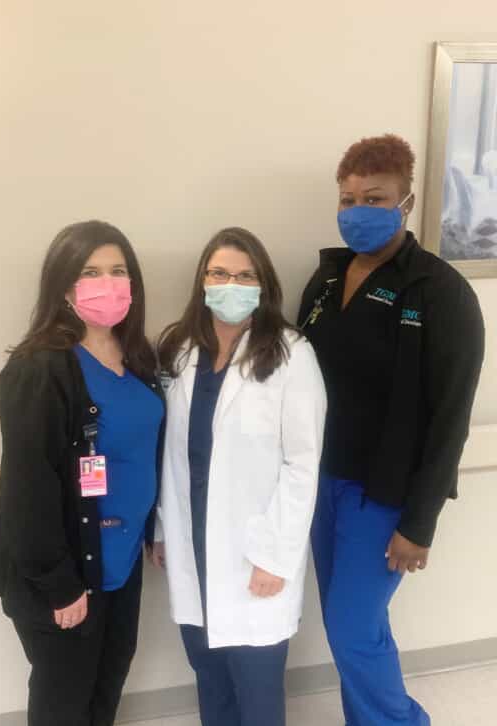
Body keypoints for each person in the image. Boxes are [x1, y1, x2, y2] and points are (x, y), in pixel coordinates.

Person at [298, 134, 485, 726]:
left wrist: (419, 523)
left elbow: (450, 417)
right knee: (350, 624)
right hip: (320, 483)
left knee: (352, 630)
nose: (357, 210)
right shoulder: (325, 281)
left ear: (405, 202)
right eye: (347, 198)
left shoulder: (439, 292)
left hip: (382, 494)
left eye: (373, 198)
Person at [0, 220, 165, 726]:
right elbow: (26, 489)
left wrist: (153, 532)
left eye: (118, 271)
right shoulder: (39, 368)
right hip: (65, 574)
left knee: (105, 693)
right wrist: (60, 585)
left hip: (121, 564)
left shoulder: (140, 360)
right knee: (63, 706)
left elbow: (143, 455)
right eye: (91, 272)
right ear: (64, 287)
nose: (108, 282)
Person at [152, 227, 326, 726]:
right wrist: (164, 530)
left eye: (245, 275)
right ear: (202, 281)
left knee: (257, 693)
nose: (232, 284)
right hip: (194, 550)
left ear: (263, 285)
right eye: (220, 273)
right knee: (210, 680)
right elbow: (170, 453)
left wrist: (276, 556)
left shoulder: (293, 354)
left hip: (257, 558)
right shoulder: (180, 350)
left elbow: (303, 464)